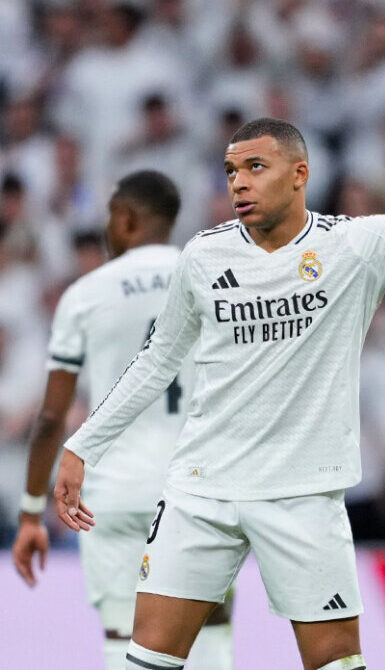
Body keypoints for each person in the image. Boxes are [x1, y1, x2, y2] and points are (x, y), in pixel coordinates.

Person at [52, 61, 385, 670]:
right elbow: (155, 362)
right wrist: (83, 445)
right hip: (202, 488)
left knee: (335, 664)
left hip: (302, 496)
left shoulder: (354, 247)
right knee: (145, 658)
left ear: (300, 174)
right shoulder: (203, 256)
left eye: (255, 167)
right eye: (230, 171)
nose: (238, 183)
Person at [11, 170, 234, 670]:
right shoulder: (218, 280)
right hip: (197, 486)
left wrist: (31, 511)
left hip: (110, 493)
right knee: (211, 626)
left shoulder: (86, 294)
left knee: (123, 635)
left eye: (111, 216)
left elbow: (50, 417)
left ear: (127, 218)